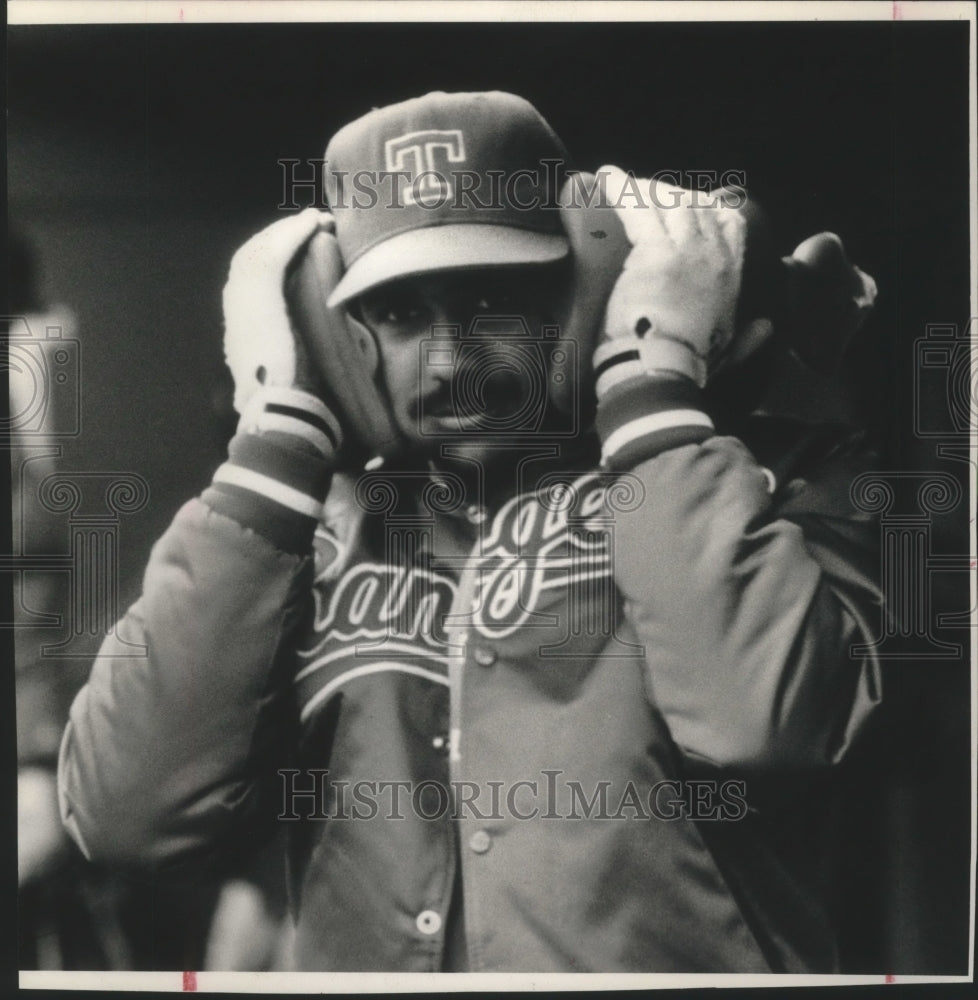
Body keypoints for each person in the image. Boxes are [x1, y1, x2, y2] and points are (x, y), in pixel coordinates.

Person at [57, 90, 884, 973]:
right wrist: (273, 449)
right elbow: (126, 817)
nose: (452, 361)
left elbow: (767, 727)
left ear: (591, 287)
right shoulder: (308, 529)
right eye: (403, 315)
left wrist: (655, 399)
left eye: (497, 298)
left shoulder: (775, 469)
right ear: (343, 336)